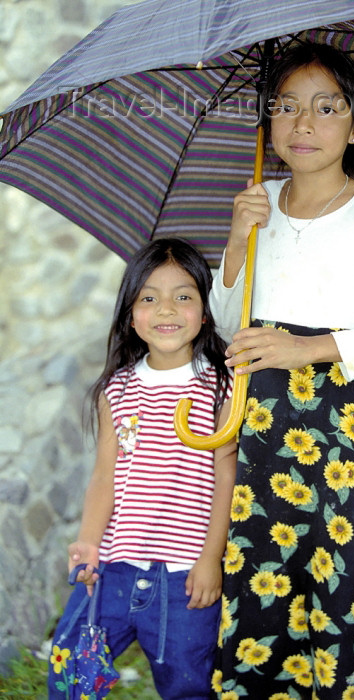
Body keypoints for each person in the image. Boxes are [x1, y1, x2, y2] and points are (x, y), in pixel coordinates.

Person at [209, 42, 354, 699]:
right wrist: (233, 239)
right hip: (265, 423)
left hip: (346, 430)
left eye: (325, 108)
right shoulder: (259, 205)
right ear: (267, 122)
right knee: (264, 575)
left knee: (349, 577)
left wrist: (306, 349)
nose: (302, 124)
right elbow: (230, 325)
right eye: (284, 107)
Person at [48, 238, 236, 700]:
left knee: (188, 685)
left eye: (184, 296)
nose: (166, 309)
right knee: (69, 668)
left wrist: (211, 560)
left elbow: (226, 479)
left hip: (184, 578)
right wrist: (88, 543)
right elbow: (105, 476)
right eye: (149, 297)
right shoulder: (117, 389)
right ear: (131, 315)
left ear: (206, 312)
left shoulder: (224, 385)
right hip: (111, 567)